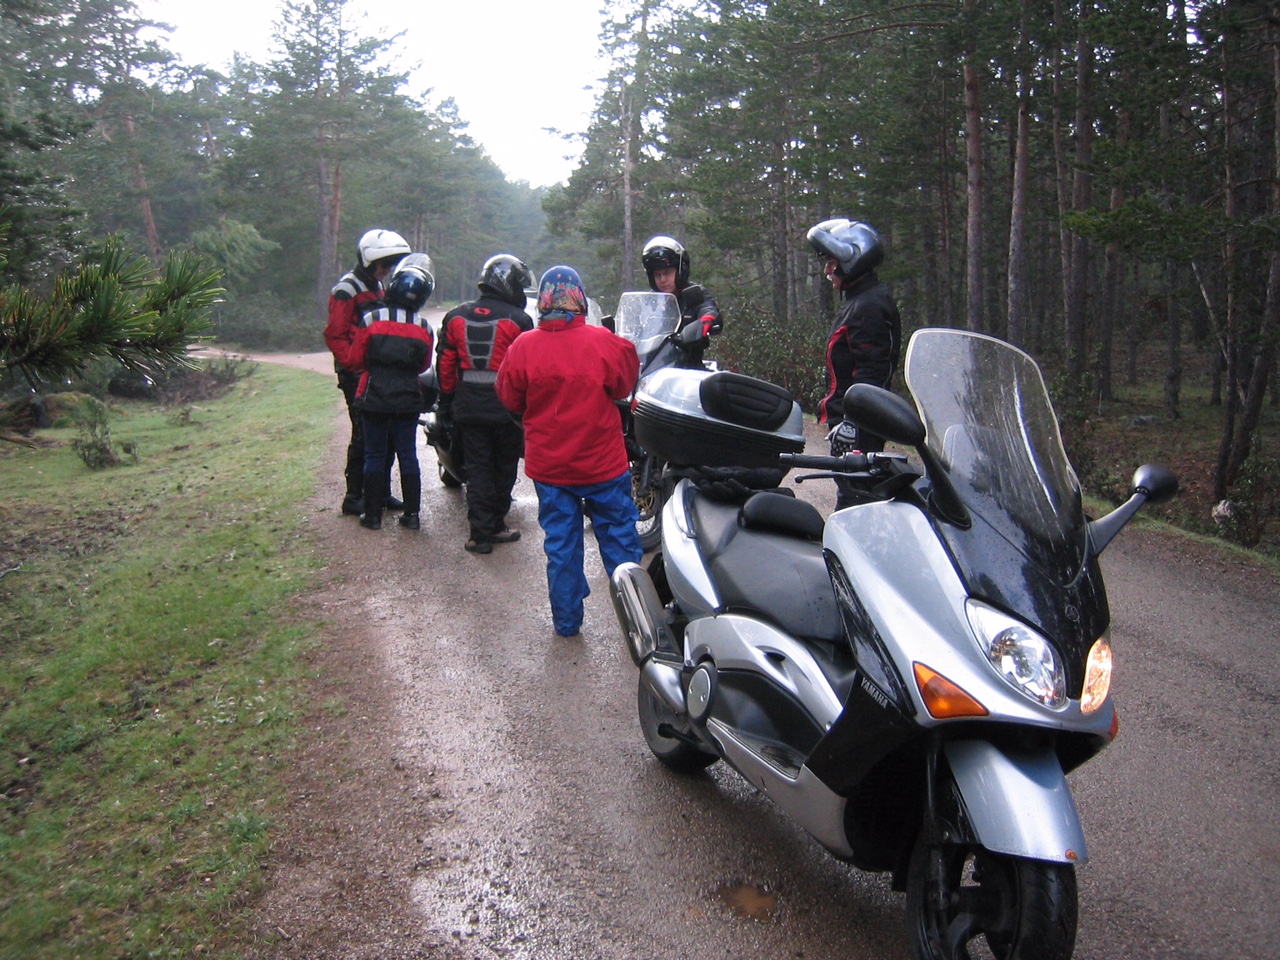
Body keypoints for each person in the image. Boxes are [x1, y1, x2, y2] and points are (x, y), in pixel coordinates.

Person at [496, 266, 643, 638]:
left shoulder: (523, 347)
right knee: (620, 541)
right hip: (603, 466)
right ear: (579, 299)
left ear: (542, 301)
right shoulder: (605, 342)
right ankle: (640, 623)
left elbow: (509, 397)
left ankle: (567, 622)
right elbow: (624, 386)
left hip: (552, 470)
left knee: (562, 546)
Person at [436, 254, 536, 554]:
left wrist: (446, 405)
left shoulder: (455, 316)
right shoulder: (519, 320)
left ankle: (479, 535)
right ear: (510, 284)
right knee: (504, 467)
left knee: (478, 469)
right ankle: (496, 525)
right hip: (506, 410)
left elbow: (445, 367)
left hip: (468, 407)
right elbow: (527, 369)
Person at [805, 218, 902, 510]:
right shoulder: (860, 301)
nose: (827, 270)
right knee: (852, 497)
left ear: (851, 260)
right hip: (855, 426)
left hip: (861, 429)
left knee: (856, 504)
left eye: (831, 262)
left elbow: (873, 372)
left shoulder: (869, 305)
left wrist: (852, 422)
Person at [325, 228, 412, 516]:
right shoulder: (346, 289)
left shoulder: (376, 287)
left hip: (375, 372)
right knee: (363, 433)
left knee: (383, 434)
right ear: (368, 261)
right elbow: (335, 335)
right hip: (356, 373)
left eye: (391, 265)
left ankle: (379, 492)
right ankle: (353, 496)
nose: (387, 270)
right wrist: (353, 364)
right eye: (384, 264)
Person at [350, 254, 436, 530]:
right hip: (408, 397)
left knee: (375, 454)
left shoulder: (371, 319)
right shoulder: (424, 327)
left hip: (375, 395)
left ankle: (373, 515)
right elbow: (424, 365)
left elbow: (355, 359)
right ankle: (412, 515)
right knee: (407, 453)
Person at [640, 235, 722, 368]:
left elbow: (707, 308)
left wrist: (706, 320)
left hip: (687, 368)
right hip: (650, 369)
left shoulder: (694, 293)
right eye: (657, 275)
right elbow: (634, 327)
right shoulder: (649, 302)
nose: (662, 279)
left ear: (680, 270)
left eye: (667, 273)